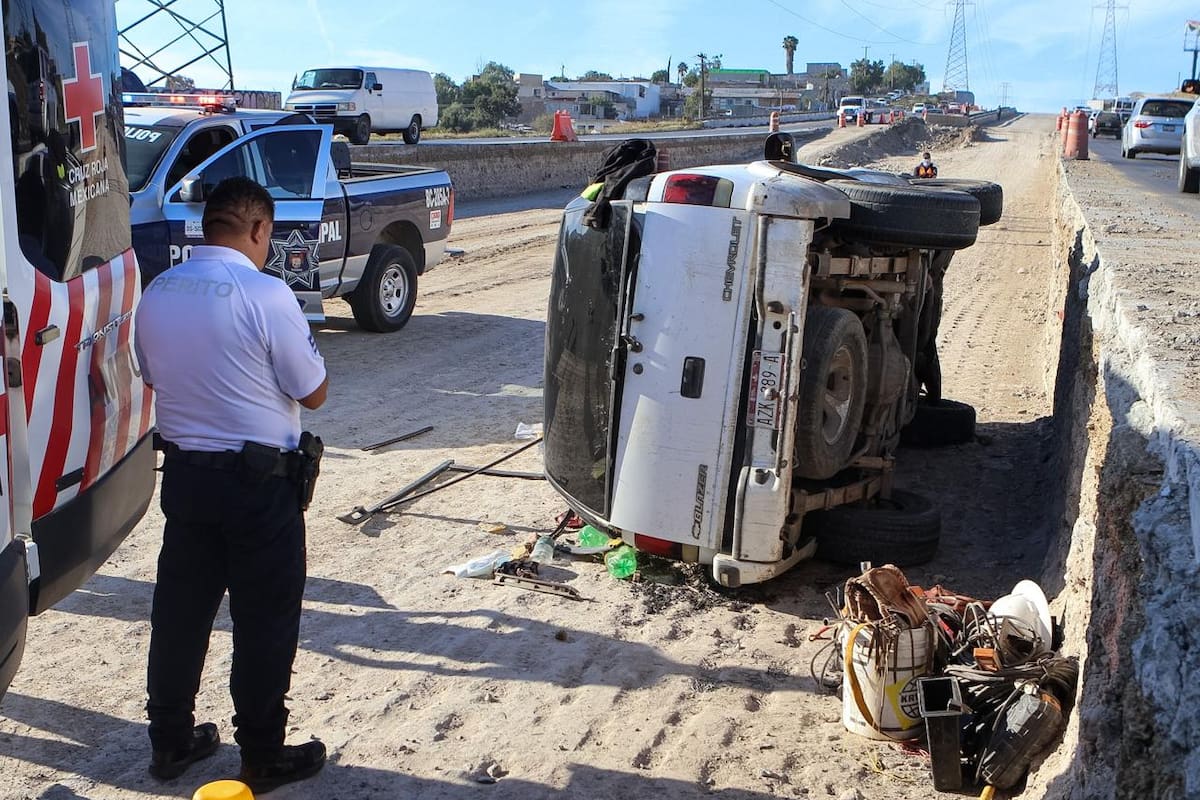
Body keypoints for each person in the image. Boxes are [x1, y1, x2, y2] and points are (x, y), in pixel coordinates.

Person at [134, 176, 329, 793]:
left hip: (187, 479)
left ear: (206, 224)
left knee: (181, 615)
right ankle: (262, 753)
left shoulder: (159, 290)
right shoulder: (267, 294)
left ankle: (170, 741)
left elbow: (147, 372)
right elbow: (313, 392)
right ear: (259, 229)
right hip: (259, 487)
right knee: (264, 621)